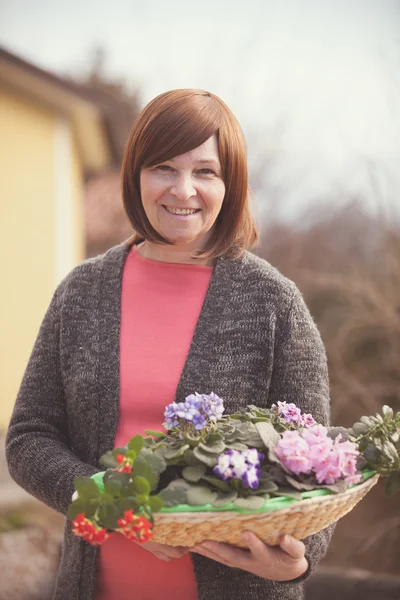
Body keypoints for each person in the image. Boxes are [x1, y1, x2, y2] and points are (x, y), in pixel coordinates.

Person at [6, 89, 334, 600]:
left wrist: (299, 560)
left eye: (206, 171)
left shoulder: (274, 303)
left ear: (231, 184)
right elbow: (28, 437)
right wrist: (111, 505)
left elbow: (315, 460)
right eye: (163, 167)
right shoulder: (82, 292)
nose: (183, 190)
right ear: (135, 174)